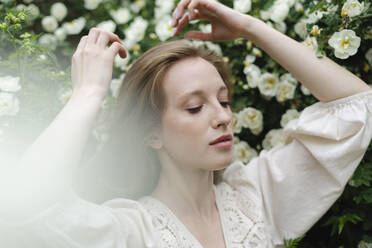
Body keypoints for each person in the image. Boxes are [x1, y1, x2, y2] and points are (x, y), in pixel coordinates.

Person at [1, 0, 372, 247]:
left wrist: (250, 28)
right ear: (151, 133)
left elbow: (356, 107)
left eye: (224, 101)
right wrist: (87, 93)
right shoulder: (130, 232)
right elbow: (25, 205)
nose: (224, 116)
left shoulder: (255, 199)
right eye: (195, 107)